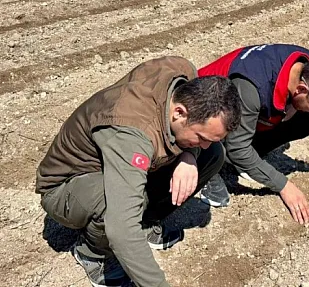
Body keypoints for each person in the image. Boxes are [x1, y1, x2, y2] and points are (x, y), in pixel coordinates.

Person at [35, 56, 241, 287]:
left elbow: (200, 146)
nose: (204, 144)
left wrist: (190, 155)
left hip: (119, 160)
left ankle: (146, 221)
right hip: (67, 187)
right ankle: (92, 254)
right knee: (120, 206)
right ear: (179, 112)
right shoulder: (131, 134)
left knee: (213, 154)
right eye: (201, 137)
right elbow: (121, 228)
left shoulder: (183, 74)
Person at [196, 44, 309, 225]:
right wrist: (283, 185)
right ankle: (206, 164)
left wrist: (292, 107)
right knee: (233, 149)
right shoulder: (254, 87)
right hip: (204, 112)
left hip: (244, 105)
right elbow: (238, 148)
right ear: (301, 90)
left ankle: (248, 160)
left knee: (305, 122)